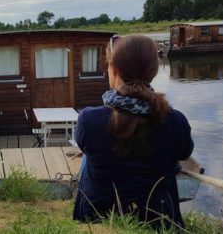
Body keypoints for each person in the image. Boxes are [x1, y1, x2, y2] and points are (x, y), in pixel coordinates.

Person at [73, 35, 193, 230]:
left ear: (113, 70)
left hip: (96, 220)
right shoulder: (175, 121)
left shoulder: (89, 120)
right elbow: (185, 152)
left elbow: (85, 145)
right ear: (153, 72)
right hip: (159, 221)